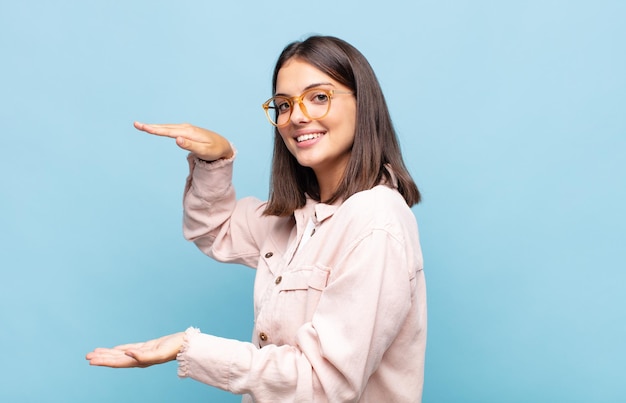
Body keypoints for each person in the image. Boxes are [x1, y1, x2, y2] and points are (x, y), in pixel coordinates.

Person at [86, 35, 427, 403]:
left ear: (364, 104)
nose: (296, 116)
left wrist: (189, 347)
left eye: (319, 97)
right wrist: (214, 160)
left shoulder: (375, 221)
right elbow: (213, 229)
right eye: (283, 104)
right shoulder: (297, 217)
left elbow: (323, 383)